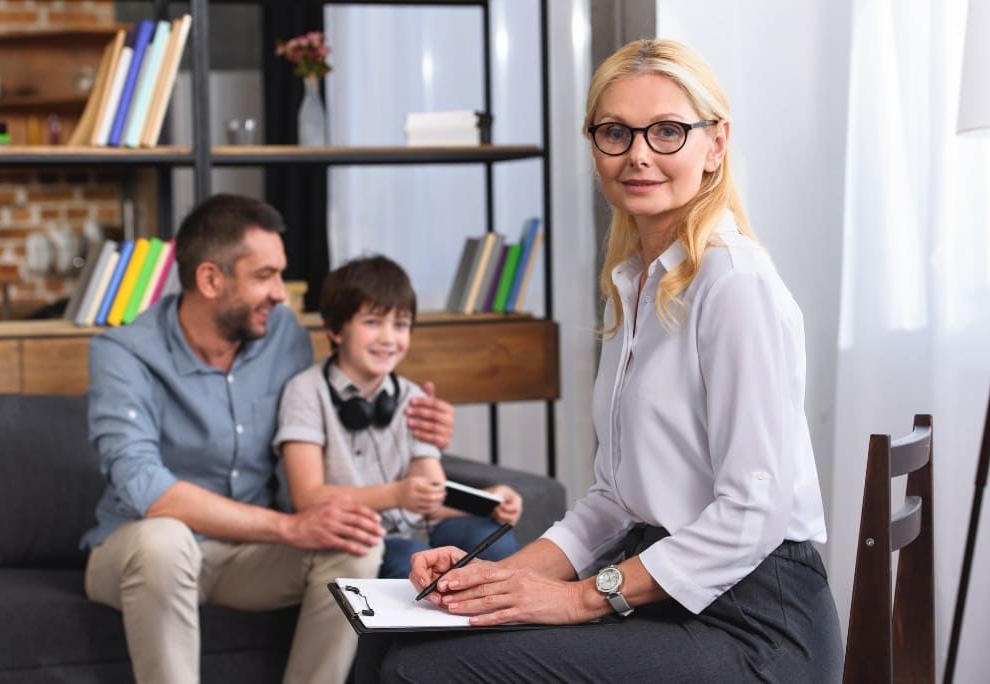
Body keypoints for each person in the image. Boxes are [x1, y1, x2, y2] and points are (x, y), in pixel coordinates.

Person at [369, 39, 843, 683]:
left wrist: (576, 599)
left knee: (422, 672)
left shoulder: (733, 284)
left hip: (755, 623)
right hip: (663, 592)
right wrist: (490, 579)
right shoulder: (637, 284)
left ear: (716, 145)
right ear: (594, 145)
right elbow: (616, 503)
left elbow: (750, 514)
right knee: (401, 643)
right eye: (616, 132)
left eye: (668, 131)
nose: (639, 154)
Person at [80, 194, 456, 684]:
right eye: (265, 276)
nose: (281, 293)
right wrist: (289, 528)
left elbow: (328, 424)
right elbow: (145, 487)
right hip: (138, 552)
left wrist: (424, 431)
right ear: (211, 279)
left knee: (356, 542)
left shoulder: (281, 334)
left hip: (247, 558)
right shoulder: (122, 353)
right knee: (165, 541)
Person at [273, 254, 522, 580]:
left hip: (413, 532)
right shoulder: (306, 391)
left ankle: (501, 626)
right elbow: (307, 497)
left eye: (400, 324)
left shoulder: (412, 397)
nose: (389, 338)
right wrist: (396, 494)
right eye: (373, 322)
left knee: (491, 538)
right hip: (350, 541)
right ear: (335, 329)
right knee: (406, 559)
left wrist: (493, 500)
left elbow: (431, 498)